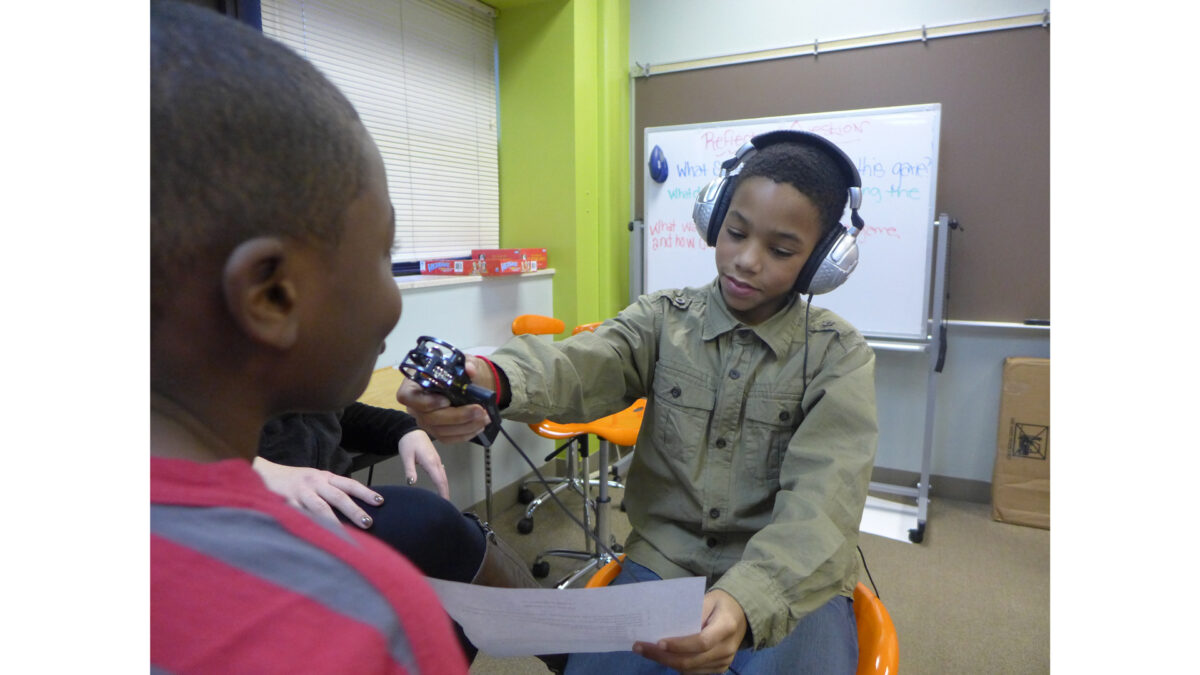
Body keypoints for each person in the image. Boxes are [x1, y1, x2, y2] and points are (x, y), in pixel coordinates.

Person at [399, 130, 879, 674]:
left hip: (790, 576)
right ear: (714, 218)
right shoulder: (663, 319)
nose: (746, 260)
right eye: (735, 232)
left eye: (781, 250)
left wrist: (749, 599)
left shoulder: (840, 357)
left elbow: (823, 506)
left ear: (822, 262)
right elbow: (579, 364)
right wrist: (491, 377)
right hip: (667, 561)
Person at [150, 2, 466, 671]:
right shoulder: (376, 620)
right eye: (383, 255)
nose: (393, 298)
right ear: (272, 294)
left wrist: (402, 428)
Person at [254, 404, 554, 664]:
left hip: (330, 515)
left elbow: (337, 414)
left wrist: (404, 429)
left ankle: (560, 644)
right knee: (432, 523)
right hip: (261, 524)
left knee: (440, 598)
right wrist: (255, 468)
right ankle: (562, 646)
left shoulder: (300, 377)